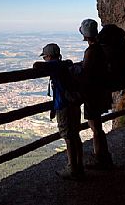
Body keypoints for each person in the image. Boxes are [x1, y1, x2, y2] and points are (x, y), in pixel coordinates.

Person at [33, 43, 84, 180]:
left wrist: (43, 65)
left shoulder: (55, 66)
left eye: (45, 57)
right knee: (75, 135)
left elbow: (37, 66)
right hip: (74, 103)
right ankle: (79, 166)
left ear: (49, 56)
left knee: (68, 136)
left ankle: (72, 168)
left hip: (64, 106)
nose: (44, 59)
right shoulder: (65, 65)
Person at [77, 19, 114, 170]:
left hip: (93, 93)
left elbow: (86, 72)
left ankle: (101, 158)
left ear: (85, 36)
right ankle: (103, 156)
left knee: (95, 126)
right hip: (102, 90)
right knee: (96, 125)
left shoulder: (91, 51)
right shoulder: (101, 48)